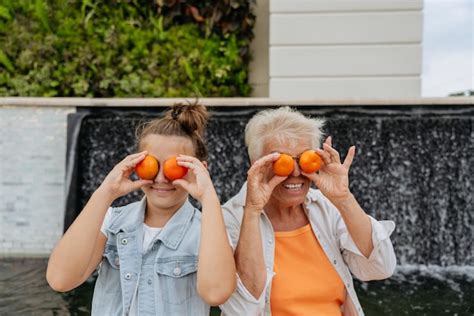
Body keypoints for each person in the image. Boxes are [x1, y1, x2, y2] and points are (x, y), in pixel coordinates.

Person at [47, 102, 236, 315]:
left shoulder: (210, 230)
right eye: (152, 165)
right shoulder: (112, 221)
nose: (162, 178)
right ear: (136, 164)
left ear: (199, 169)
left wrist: (208, 196)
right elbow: (60, 280)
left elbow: (216, 293)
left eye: (175, 168)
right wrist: (105, 192)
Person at [219, 107, 396, 316]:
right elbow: (242, 308)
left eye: (304, 159)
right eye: (280, 162)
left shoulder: (325, 206)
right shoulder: (228, 219)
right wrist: (253, 210)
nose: (295, 172)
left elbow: (380, 268)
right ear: (256, 165)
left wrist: (343, 198)